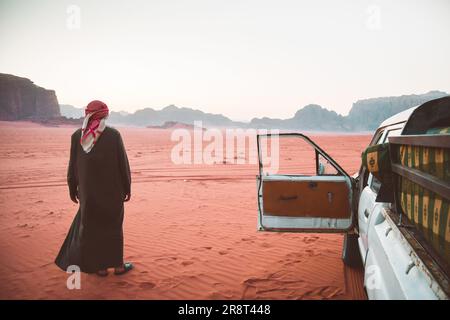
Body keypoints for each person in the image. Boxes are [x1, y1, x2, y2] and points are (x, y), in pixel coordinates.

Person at [55, 100, 133, 276]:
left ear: (87, 114)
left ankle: (101, 268)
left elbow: (73, 166)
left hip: (88, 194)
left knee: (94, 229)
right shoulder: (113, 135)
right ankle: (119, 266)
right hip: (113, 193)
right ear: (104, 114)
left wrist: (72, 188)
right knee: (113, 228)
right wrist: (127, 188)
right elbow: (123, 165)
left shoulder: (78, 136)